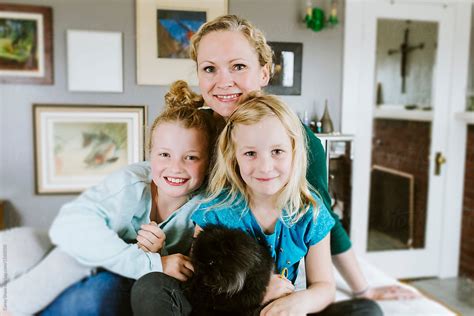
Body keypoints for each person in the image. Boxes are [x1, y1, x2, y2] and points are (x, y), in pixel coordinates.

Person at [187, 14, 416, 300]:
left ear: (264, 73)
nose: (224, 81)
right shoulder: (192, 131)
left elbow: (322, 215)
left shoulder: (298, 142)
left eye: (239, 66)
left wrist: (363, 289)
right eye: (209, 69)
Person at [132, 93, 380, 315]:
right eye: (250, 153)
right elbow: (202, 291)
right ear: (234, 156)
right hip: (229, 310)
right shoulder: (215, 212)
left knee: (365, 310)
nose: (265, 167)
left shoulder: (311, 213)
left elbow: (324, 287)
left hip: (279, 311)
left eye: (277, 152)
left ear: (295, 151)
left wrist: (300, 303)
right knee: (151, 286)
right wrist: (258, 292)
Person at [3, 80, 216, 315]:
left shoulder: (206, 202)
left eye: (191, 157)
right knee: (20, 245)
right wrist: (151, 262)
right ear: (150, 155)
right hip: (91, 251)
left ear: (208, 162)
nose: (175, 168)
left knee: (71, 263)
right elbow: (68, 228)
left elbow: (187, 272)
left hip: (115, 271)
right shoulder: (132, 183)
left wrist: (160, 254)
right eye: (164, 154)